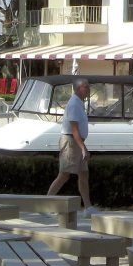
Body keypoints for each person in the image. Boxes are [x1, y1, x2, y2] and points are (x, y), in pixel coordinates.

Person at [47, 78, 95, 214]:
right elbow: (74, 130)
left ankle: (88, 207)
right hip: (71, 142)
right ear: (79, 88)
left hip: (76, 142)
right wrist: (83, 148)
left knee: (84, 174)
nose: (88, 88)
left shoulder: (79, 103)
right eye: (86, 86)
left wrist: (82, 147)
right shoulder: (74, 104)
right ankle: (45, 204)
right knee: (64, 174)